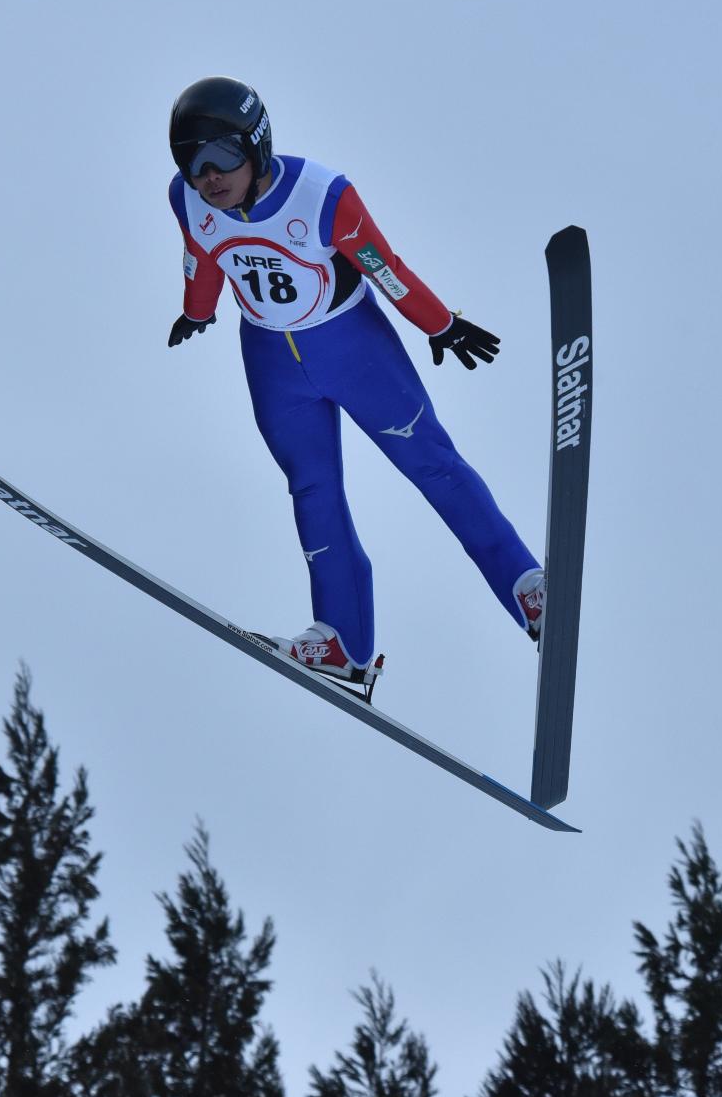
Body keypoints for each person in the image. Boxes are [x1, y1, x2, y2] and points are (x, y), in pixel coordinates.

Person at [165, 76, 544, 693]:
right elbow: (201, 257)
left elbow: (382, 266)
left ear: (256, 144)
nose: (208, 176)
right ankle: (343, 644)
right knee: (313, 490)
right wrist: (197, 311)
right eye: (192, 161)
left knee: (434, 466)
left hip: (352, 348)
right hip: (270, 363)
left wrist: (439, 324)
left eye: (222, 157)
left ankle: (527, 588)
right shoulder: (188, 201)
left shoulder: (320, 196)